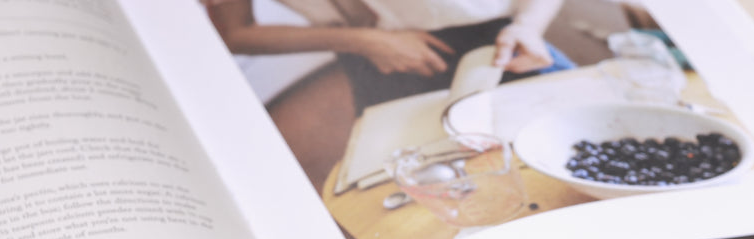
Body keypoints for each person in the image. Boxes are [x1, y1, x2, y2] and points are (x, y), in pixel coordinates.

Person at [205, 0, 571, 113]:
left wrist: (529, 26)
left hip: (503, 43)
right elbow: (236, 34)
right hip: (374, 59)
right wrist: (364, 41)